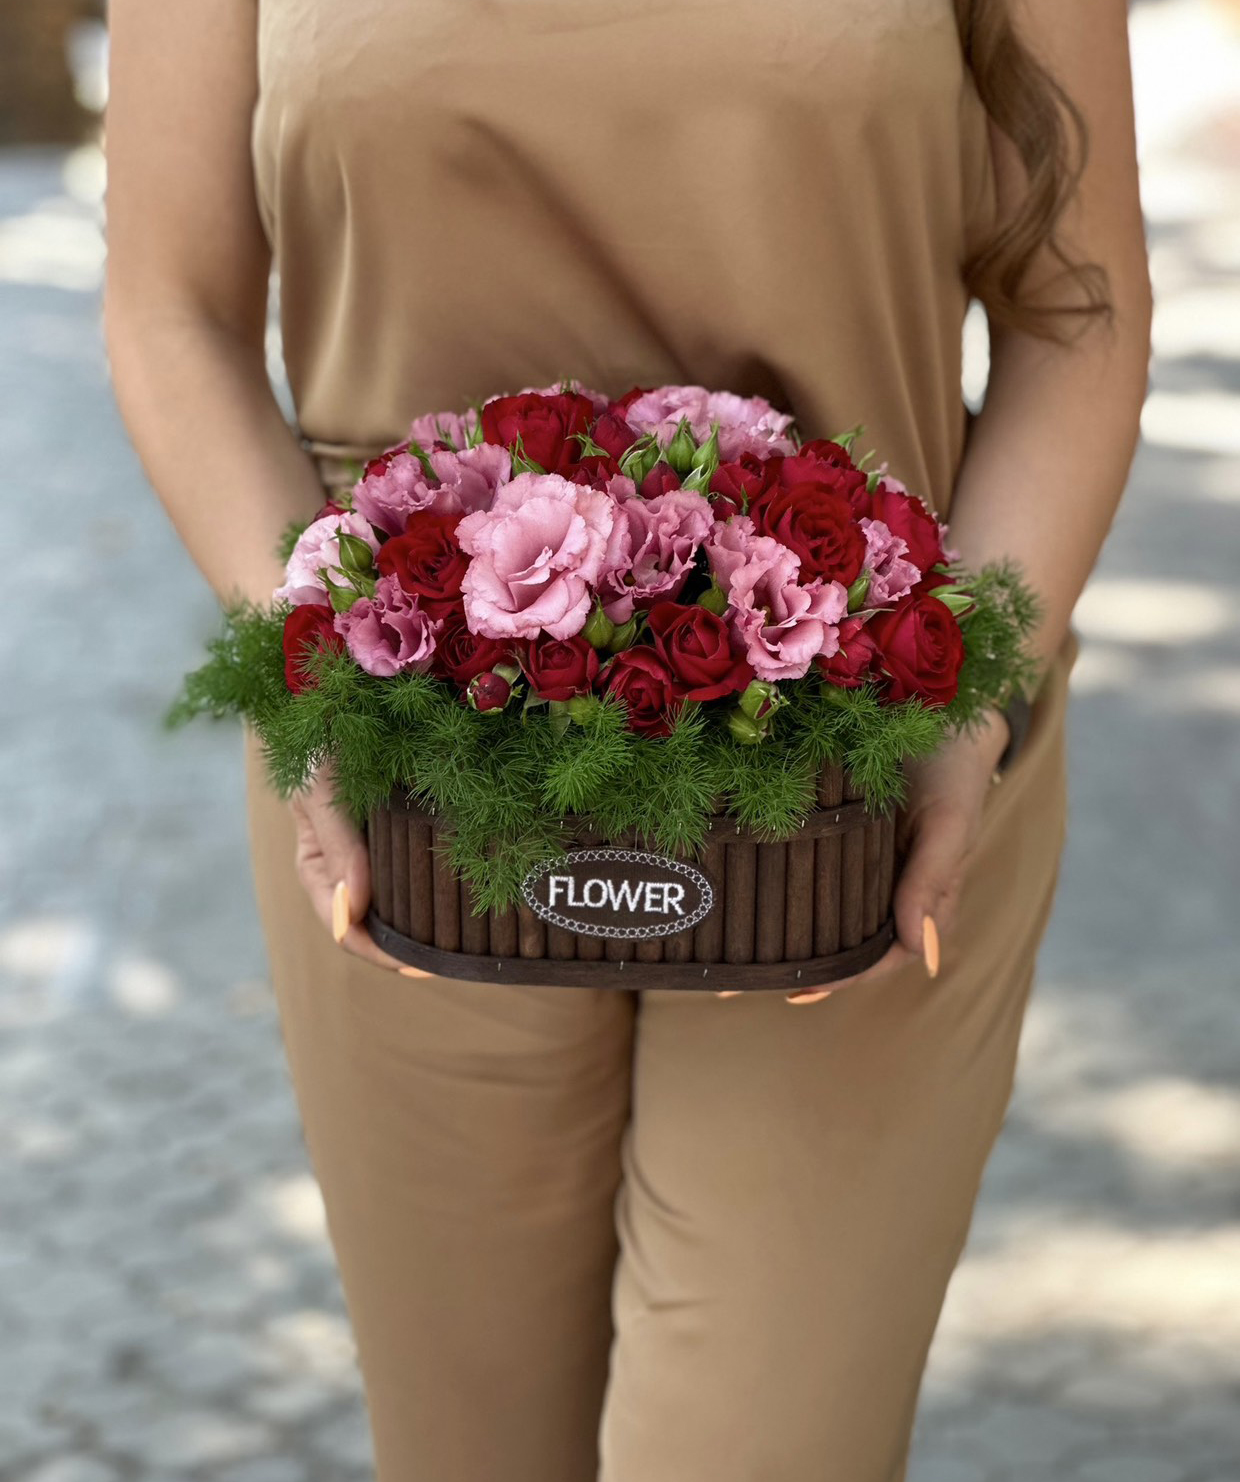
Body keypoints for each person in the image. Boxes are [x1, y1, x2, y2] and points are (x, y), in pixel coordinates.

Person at [102, 1, 1151, 1477]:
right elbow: (173, 302)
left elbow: (1075, 308)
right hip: (413, 789)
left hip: (862, 784)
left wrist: (959, 700)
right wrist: (310, 661)